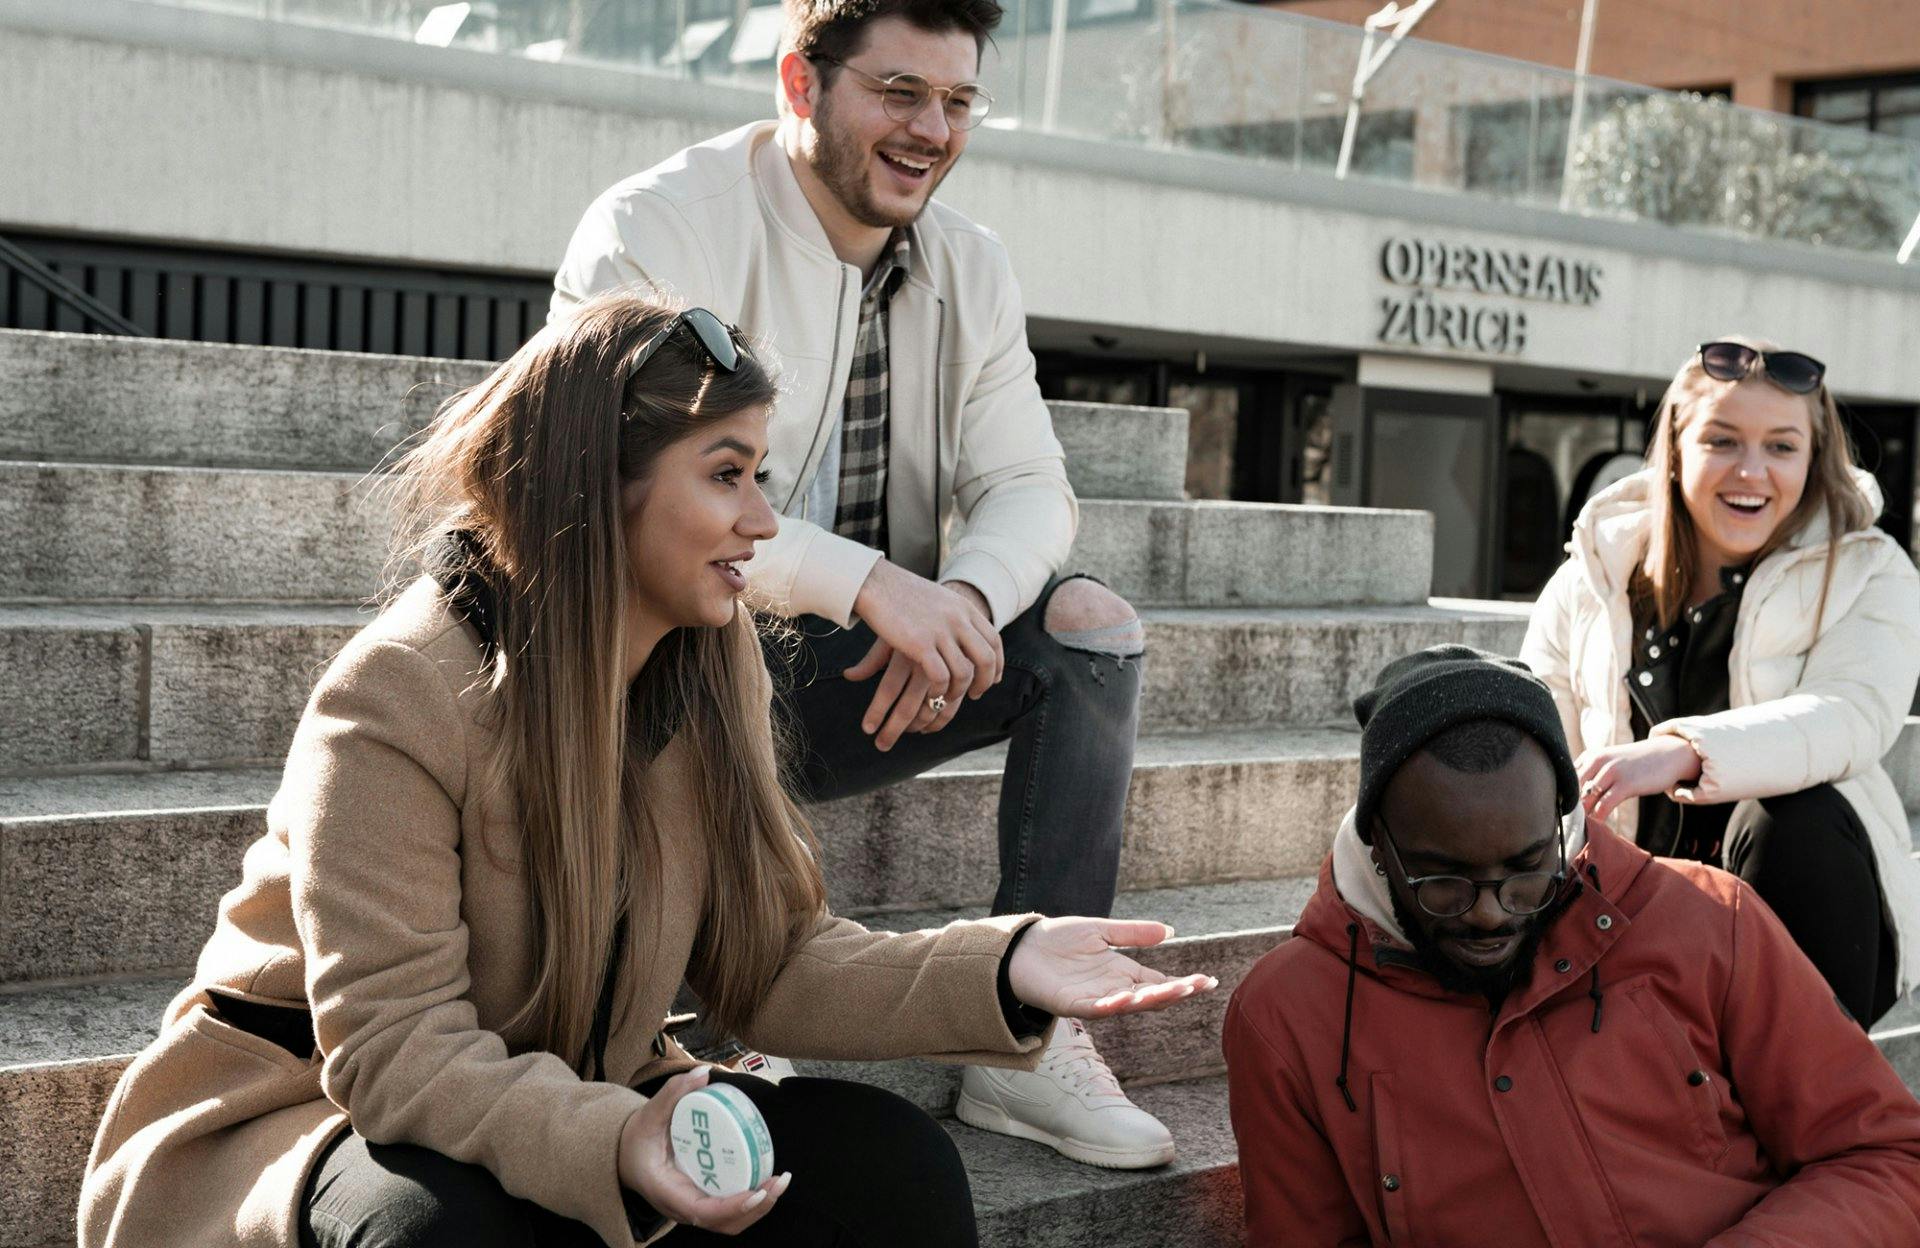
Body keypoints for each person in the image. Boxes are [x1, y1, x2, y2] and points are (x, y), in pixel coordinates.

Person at [76, 295, 1215, 1248]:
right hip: (304, 1120)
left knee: (892, 1167)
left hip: (576, 1089)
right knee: (443, 1232)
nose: (764, 521)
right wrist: (618, 1137)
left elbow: (771, 961)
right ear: (594, 487)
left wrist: (1005, 967)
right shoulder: (396, 695)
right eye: (728, 474)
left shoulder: (715, 667)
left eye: (761, 474)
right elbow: (396, 1055)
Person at [550, 0, 1165, 1167]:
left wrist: (966, 604)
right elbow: (631, 498)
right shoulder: (656, 230)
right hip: (673, 668)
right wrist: (869, 580)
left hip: (878, 672)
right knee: (675, 617)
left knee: (1086, 625)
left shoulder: (971, 266)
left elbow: (1032, 485)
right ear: (800, 84)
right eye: (899, 92)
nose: (932, 129)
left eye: (958, 101)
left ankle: (1029, 1045)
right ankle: (690, 1028)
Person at [1223, 644, 1920, 1246]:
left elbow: (1885, 1155)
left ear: (1567, 827)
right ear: (1377, 845)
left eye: (1527, 872)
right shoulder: (1288, 1018)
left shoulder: (1708, 920)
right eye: (1444, 882)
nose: (1493, 915)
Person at [1520, 336, 1920, 1027]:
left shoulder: (1868, 569)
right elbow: (1537, 724)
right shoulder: (1595, 576)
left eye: (1782, 447)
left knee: (1792, 818)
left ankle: (1817, 1106)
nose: (1752, 472)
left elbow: (1853, 713)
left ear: (1813, 458)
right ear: (1678, 447)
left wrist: (1689, 750)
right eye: (1724, 441)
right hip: (1627, 902)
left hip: (1809, 910)